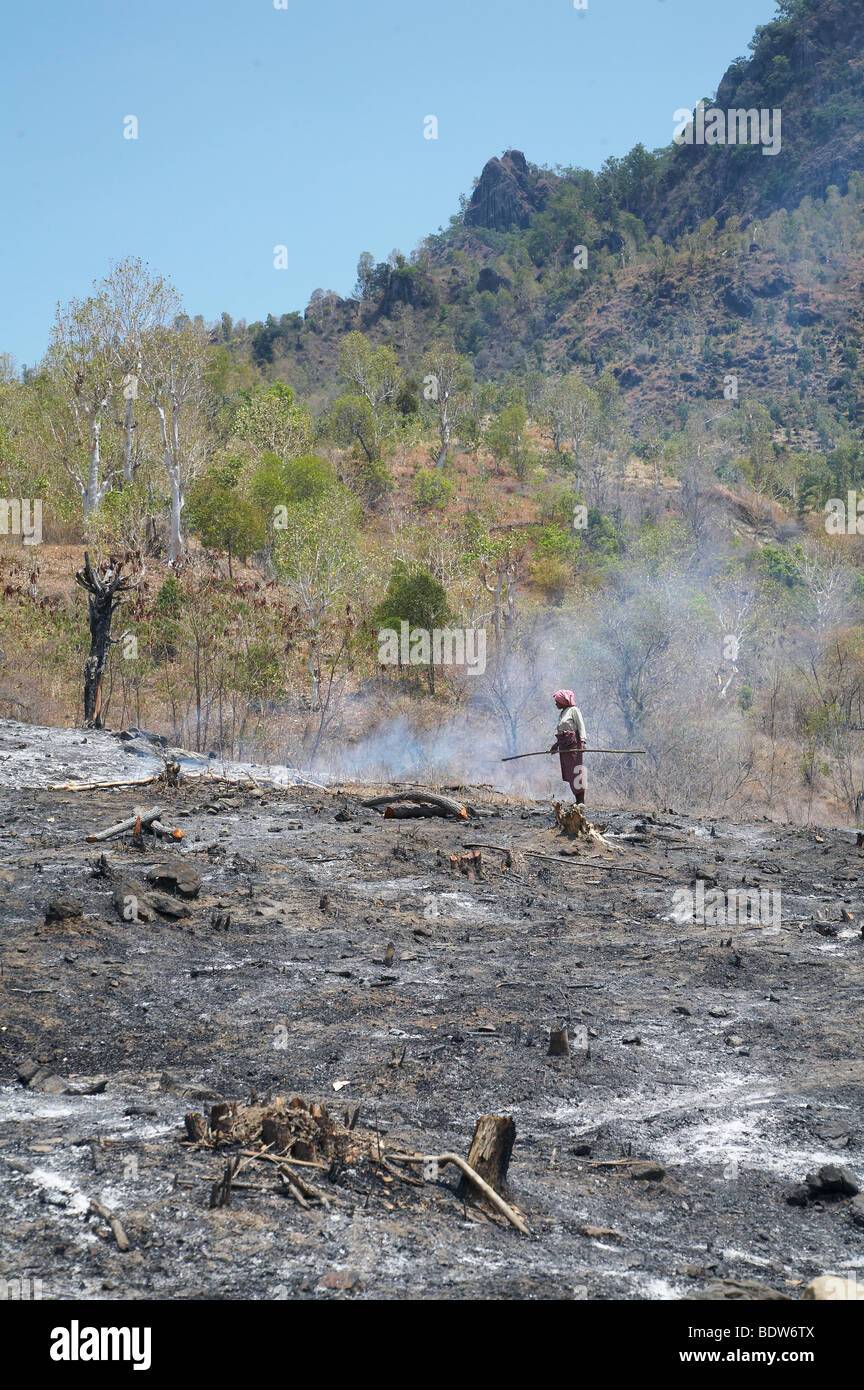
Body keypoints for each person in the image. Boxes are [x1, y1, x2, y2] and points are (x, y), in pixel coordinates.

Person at [550, 689, 587, 804]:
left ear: (563, 701)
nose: (556, 703)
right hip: (564, 747)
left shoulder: (574, 710)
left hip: (573, 745)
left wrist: (583, 741)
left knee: (577, 771)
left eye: (557, 701)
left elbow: (581, 726)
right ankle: (577, 801)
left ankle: (581, 802)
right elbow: (562, 731)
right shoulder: (562, 713)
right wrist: (556, 745)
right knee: (570, 772)